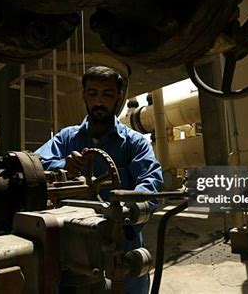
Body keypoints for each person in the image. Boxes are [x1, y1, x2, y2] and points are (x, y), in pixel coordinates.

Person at [35, 65, 163, 293]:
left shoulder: (134, 143)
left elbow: (150, 182)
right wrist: (62, 165)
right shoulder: (66, 138)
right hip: (73, 240)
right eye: (92, 93)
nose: (99, 101)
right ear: (84, 95)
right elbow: (36, 163)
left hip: (122, 239)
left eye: (107, 94)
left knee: (128, 286)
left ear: (119, 97)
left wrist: (123, 212)